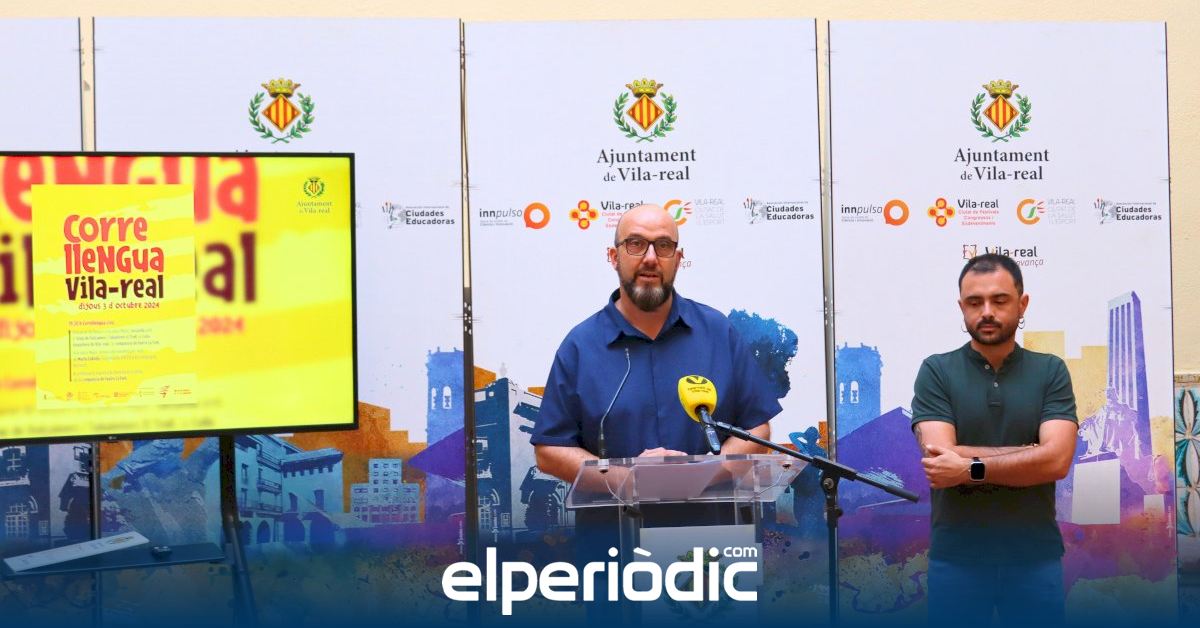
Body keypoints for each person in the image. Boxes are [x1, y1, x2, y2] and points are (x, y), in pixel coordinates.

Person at [531, 203, 781, 482]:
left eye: (663, 246)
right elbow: (550, 450)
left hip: (707, 509)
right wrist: (629, 480)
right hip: (617, 511)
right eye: (635, 244)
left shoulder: (718, 332)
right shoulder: (581, 346)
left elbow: (757, 428)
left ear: (678, 259)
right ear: (614, 256)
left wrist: (700, 475)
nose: (650, 258)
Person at [912, 253, 1078, 624]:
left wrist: (968, 467)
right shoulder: (937, 371)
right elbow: (941, 458)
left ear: (1022, 304)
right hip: (957, 560)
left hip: (1035, 559)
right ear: (962, 307)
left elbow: (1057, 461)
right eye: (975, 302)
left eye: (999, 300)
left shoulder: (1050, 371)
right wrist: (1029, 453)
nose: (987, 312)